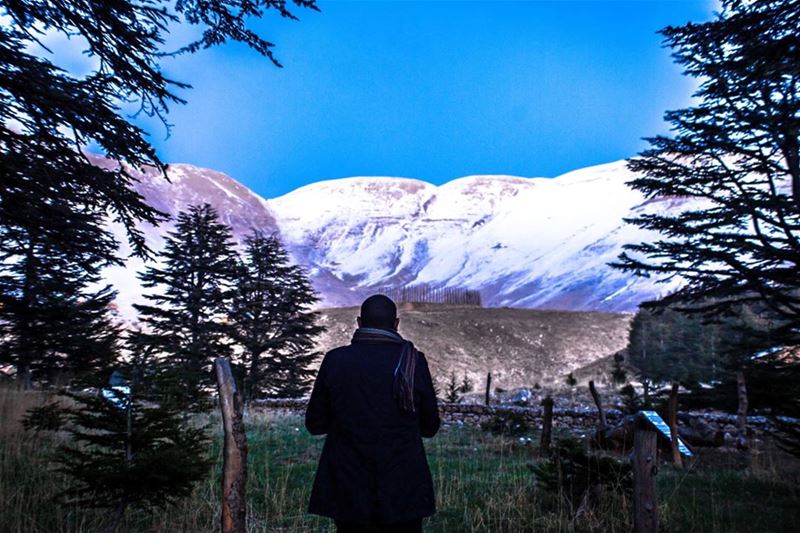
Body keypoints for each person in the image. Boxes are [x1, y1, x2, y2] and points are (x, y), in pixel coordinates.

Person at [306, 294, 440, 533]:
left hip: (348, 485)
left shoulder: (335, 360)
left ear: (359, 322)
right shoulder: (413, 361)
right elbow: (430, 426)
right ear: (396, 324)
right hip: (403, 485)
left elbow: (315, 424)